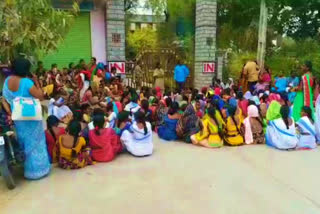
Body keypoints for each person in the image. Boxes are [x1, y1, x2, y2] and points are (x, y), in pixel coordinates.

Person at [2, 57, 51, 179]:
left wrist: (9, 112)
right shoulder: (26, 82)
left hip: (18, 117)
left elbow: (4, 98)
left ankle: (27, 168)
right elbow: (40, 96)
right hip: (31, 117)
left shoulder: (7, 81)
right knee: (36, 142)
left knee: (24, 141)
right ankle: (38, 171)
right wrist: (36, 82)